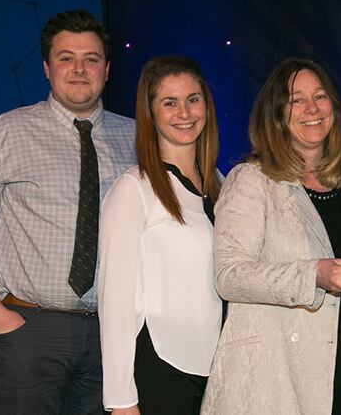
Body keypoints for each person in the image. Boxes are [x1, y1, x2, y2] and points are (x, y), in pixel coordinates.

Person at [0, 9, 136, 414]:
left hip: (115, 332)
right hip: (27, 329)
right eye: (66, 58)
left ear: (108, 69)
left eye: (91, 59)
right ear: (48, 68)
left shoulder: (139, 138)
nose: (79, 69)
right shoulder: (4, 133)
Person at [201, 58, 341, 415]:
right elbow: (229, 277)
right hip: (276, 378)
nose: (312, 108)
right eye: (297, 99)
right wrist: (313, 274)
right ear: (277, 114)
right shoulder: (252, 179)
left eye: (321, 96)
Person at [98, 56, 222, 414]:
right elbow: (115, 302)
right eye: (169, 102)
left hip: (219, 371)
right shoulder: (133, 188)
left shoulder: (223, 186)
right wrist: (121, 401)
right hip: (162, 369)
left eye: (193, 99)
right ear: (150, 112)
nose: (184, 112)